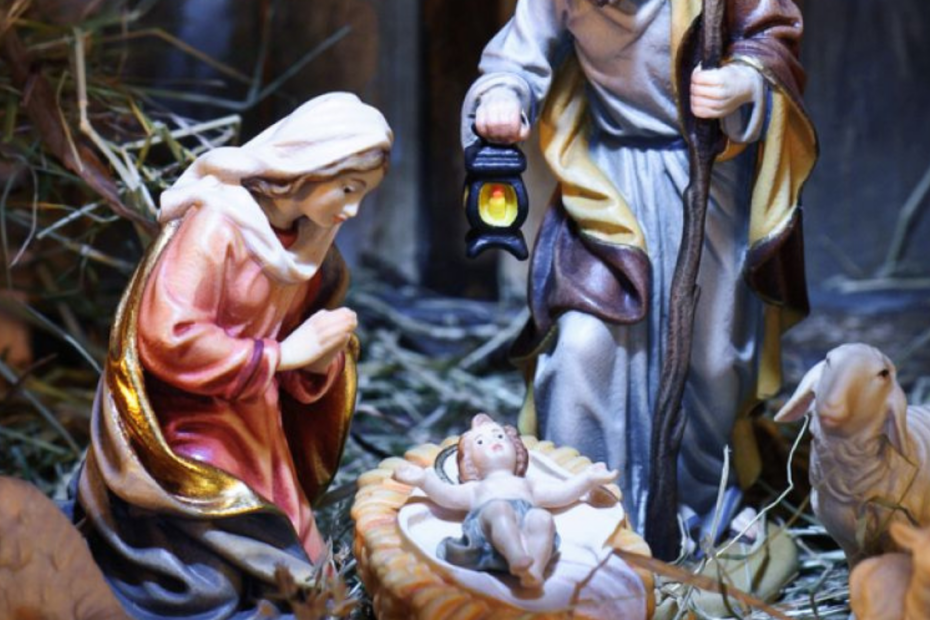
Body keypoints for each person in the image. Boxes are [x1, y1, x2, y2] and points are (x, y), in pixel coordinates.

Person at [461, 0, 817, 533]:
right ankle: (588, 519)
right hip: (607, 190)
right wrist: (502, 94)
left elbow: (770, 34)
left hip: (707, 184)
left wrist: (746, 82)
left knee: (713, 362)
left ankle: (702, 508)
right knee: (582, 347)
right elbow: (516, 57)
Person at [74, 92, 392, 619]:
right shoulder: (218, 225)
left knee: (313, 579)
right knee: (213, 582)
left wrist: (319, 363)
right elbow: (168, 337)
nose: (353, 209)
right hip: (186, 428)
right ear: (310, 166)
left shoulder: (308, 246)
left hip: (257, 426)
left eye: (363, 194)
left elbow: (294, 348)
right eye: (348, 188)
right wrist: (282, 356)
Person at [393, 413, 617, 588]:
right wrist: (422, 480)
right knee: (499, 510)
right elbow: (447, 496)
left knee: (542, 517)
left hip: (526, 530)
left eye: (500, 436)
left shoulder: (529, 485)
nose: (494, 441)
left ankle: (534, 570)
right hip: (487, 533)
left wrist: (588, 479)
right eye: (481, 442)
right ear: (471, 463)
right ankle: (515, 556)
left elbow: (562, 493)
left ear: (516, 448)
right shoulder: (476, 488)